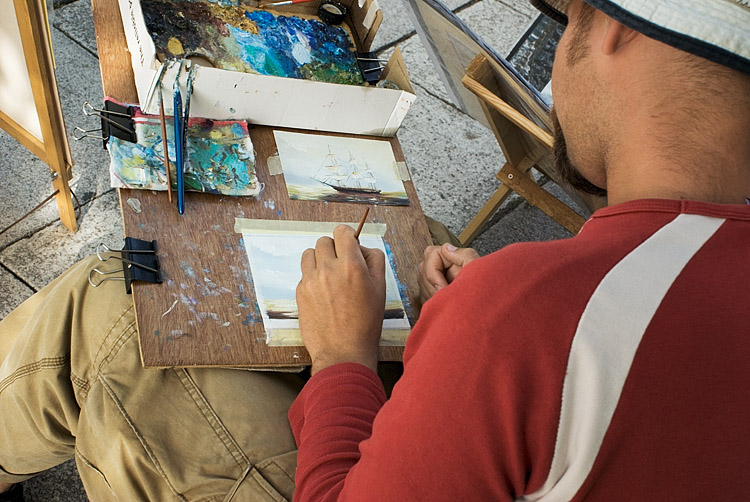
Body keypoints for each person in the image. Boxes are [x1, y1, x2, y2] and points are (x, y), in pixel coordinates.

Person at [290, 0, 750, 500]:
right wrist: (489, 318)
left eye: (567, 23)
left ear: (616, 28)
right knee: (431, 229)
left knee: (225, 392)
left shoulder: (522, 315)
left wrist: (340, 354)